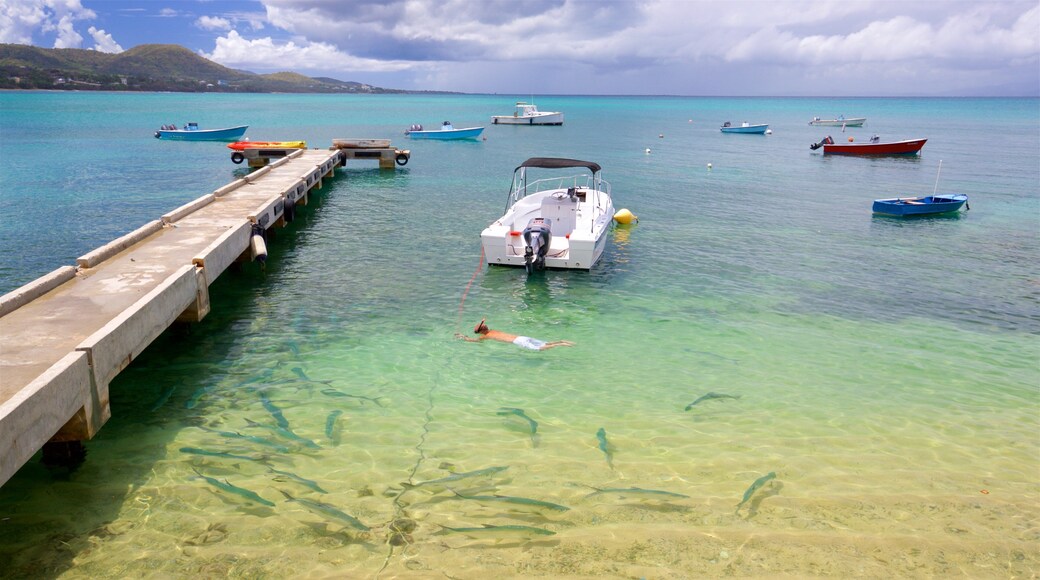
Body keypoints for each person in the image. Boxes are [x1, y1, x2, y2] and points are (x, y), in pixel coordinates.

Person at [456, 318, 574, 351]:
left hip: (518, 341)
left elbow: (475, 341)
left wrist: (464, 337)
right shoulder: (493, 331)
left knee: (540, 348)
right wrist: (482, 323)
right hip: (521, 337)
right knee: (544, 343)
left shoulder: (485, 336)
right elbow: (482, 327)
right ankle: (561, 341)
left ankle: (560, 344)